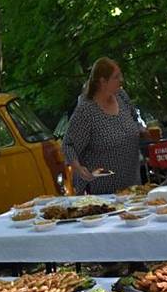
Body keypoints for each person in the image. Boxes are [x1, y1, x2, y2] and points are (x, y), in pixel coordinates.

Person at [63, 57, 149, 194]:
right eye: (116, 77)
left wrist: (142, 131)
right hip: (103, 193)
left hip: (132, 187)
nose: (121, 80)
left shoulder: (122, 97)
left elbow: (134, 120)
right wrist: (78, 168)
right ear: (103, 81)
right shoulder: (86, 111)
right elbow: (68, 145)